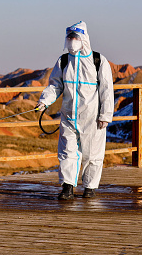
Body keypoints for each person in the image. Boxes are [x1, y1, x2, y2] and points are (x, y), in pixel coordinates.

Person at [37, 21, 114, 200]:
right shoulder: (64, 61)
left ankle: (90, 187)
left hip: (92, 116)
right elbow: (55, 85)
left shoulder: (98, 61)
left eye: (75, 37)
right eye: (69, 38)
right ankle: (67, 187)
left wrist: (105, 115)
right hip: (69, 115)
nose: (71, 41)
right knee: (67, 152)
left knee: (92, 153)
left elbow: (107, 90)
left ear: (83, 39)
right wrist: (45, 100)